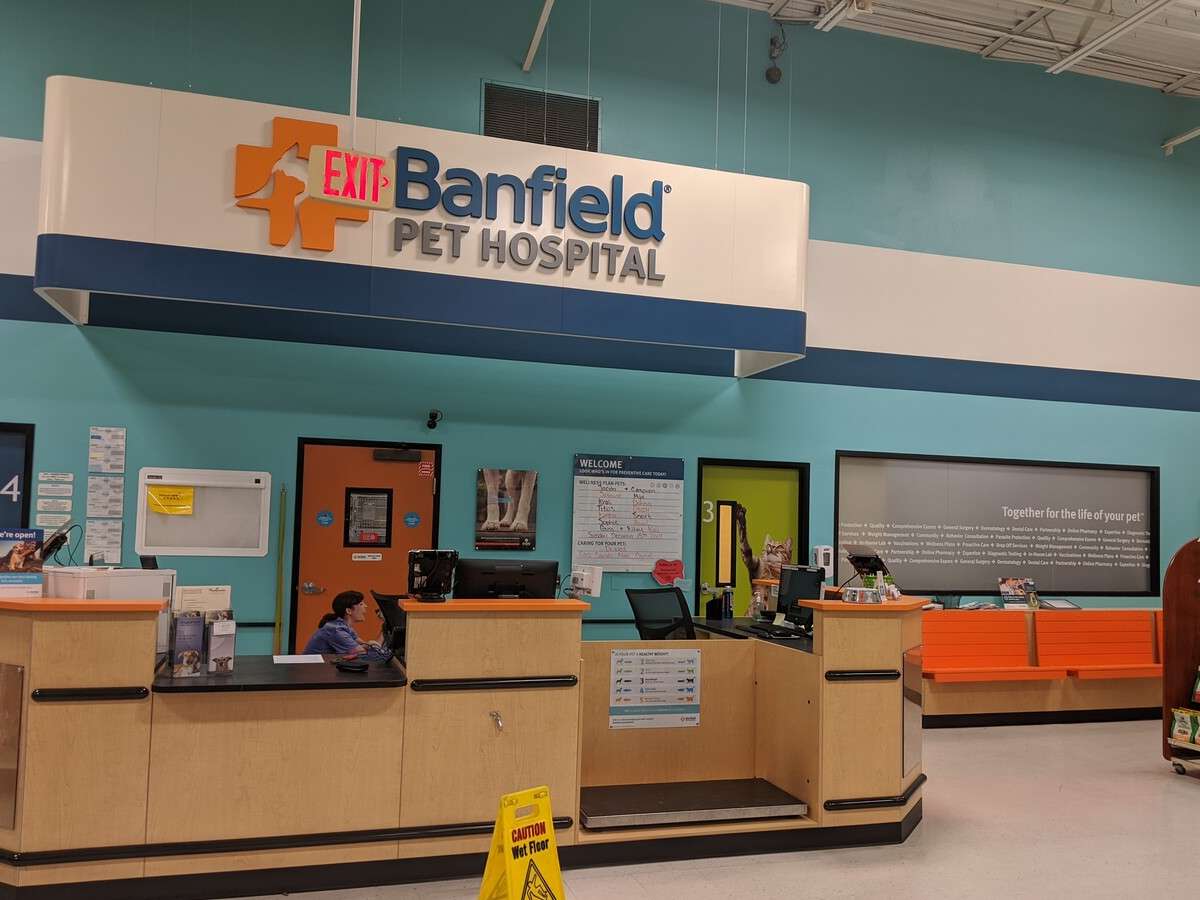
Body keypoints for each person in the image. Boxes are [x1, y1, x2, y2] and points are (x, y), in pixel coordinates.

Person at [303, 590, 388, 658]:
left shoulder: (344, 627)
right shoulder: (336, 630)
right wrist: (370, 644)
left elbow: (366, 646)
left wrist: (386, 624)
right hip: (312, 670)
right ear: (348, 611)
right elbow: (363, 653)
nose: (365, 606)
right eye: (361, 604)